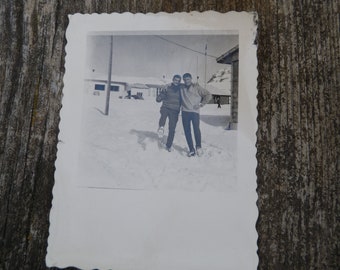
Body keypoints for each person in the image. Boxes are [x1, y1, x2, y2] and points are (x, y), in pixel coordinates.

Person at [180, 73, 212, 157]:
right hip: (184, 112)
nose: (186, 81)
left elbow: (208, 95)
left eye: (188, 79)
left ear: (191, 79)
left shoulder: (197, 87)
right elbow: (173, 84)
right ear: (183, 80)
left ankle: (198, 147)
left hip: (195, 112)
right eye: (185, 79)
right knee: (187, 131)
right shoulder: (181, 87)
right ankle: (191, 149)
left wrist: (201, 104)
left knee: (196, 130)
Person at [156, 75, 182, 152]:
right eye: (175, 80)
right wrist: (159, 98)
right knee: (163, 115)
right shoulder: (168, 87)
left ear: (179, 81)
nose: (176, 81)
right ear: (173, 80)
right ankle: (161, 127)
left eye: (178, 80)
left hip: (175, 110)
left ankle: (169, 145)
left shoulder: (181, 89)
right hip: (166, 107)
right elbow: (162, 94)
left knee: (172, 128)